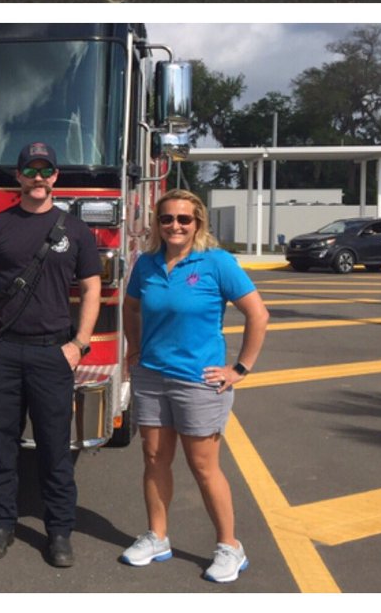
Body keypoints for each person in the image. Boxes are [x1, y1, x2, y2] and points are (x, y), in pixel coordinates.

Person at [0, 142, 102, 568]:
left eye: (46, 170)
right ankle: (1, 525)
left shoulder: (76, 232)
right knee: (0, 447)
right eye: (30, 170)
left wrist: (78, 344)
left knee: (55, 450)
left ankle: (59, 532)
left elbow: (92, 287)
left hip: (52, 355)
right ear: (18, 177)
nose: (38, 178)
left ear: (55, 177)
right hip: (1, 352)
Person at [120, 189, 270, 583]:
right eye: (167, 218)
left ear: (197, 223)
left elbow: (258, 314)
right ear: (157, 223)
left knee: (203, 466)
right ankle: (157, 536)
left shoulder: (216, 262)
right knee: (154, 458)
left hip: (198, 382)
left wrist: (240, 367)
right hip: (152, 375)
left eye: (184, 219)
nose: (175, 226)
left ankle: (229, 547)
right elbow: (131, 306)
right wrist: (134, 348)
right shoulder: (147, 263)